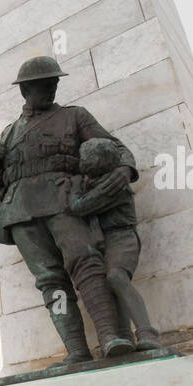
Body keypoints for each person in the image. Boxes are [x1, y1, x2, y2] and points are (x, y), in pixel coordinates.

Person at [0, 56, 139, 368]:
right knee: (50, 282)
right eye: (45, 85)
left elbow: (115, 147)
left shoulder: (74, 116)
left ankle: (111, 337)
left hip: (64, 200)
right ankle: (77, 350)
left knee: (87, 264)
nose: (52, 88)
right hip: (20, 213)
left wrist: (125, 169)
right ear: (26, 90)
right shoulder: (8, 133)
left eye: (54, 83)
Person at [68, 138, 163, 351]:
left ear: (94, 162)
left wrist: (74, 187)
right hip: (106, 240)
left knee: (116, 277)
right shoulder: (94, 182)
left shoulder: (113, 186)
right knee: (112, 285)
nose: (80, 161)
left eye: (84, 158)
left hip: (122, 237)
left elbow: (79, 207)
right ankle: (125, 337)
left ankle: (147, 333)